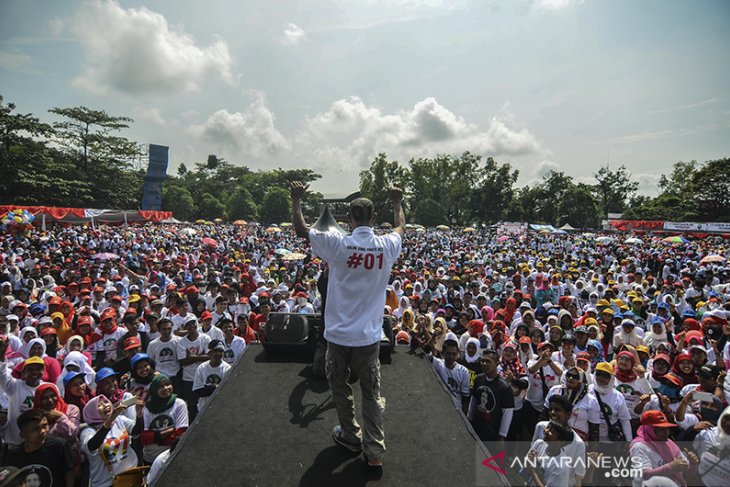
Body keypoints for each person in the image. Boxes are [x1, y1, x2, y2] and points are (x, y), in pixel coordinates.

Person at [291, 180, 404, 469]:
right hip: (368, 338)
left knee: (339, 386)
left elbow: (302, 230)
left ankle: (350, 435)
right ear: (374, 219)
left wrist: (296, 199)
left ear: (349, 220)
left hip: (338, 336)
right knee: (371, 393)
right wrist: (397, 202)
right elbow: (400, 228)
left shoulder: (338, 244)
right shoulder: (386, 245)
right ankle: (375, 451)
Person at [80, 394, 143, 487]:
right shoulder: (88, 431)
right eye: (99, 405)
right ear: (91, 412)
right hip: (106, 483)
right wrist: (109, 422)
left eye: (106, 402)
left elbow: (136, 431)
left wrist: (139, 414)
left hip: (130, 476)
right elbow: (92, 445)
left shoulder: (119, 420)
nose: (105, 405)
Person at [3, 409, 75, 487]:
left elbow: (69, 471)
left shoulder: (58, 446)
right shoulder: (13, 455)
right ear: (23, 434)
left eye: (45, 426)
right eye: (36, 429)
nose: (43, 431)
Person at [630, 410, 698, 487]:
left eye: (667, 428)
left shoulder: (669, 444)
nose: (666, 433)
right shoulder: (639, 446)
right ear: (650, 430)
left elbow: (686, 475)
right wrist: (670, 467)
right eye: (661, 429)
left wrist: (693, 464)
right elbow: (643, 475)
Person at [0, 336, 46, 447]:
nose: (34, 372)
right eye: (30, 369)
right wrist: (1, 356)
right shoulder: (14, 386)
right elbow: (2, 375)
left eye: (38, 369)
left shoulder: (47, 388)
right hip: (15, 440)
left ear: (43, 371)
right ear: (23, 373)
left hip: (38, 441)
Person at [468, 349, 514, 442]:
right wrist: (468, 420)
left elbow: (507, 412)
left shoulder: (504, 387)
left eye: (488, 361)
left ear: (497, 364)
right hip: (476, 428)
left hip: (492, 433)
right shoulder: (478, 379)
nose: (484, 364)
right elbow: (473, 400)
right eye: (483, 361)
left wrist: (501, 436)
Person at [141, 374, 188, 465]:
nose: (166, 388)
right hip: (150, 457)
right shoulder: (147, 408)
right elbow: (145, 438)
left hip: (171, 455)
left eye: (168, 384)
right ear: (154, 389)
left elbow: (181, 433)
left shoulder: (179, 404)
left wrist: (157, 438)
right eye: (161, 386)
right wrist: (168, 432)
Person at [192, 339, 232, 413]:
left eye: (221, 351)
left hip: (221, 409)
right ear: (210, 353)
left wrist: (208, 388)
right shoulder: (202, 368)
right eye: (215, 351)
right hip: (203, 409)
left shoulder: (227, 368)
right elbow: (197, 391)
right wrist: (214, 388)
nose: (218, 354)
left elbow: (227, 391)